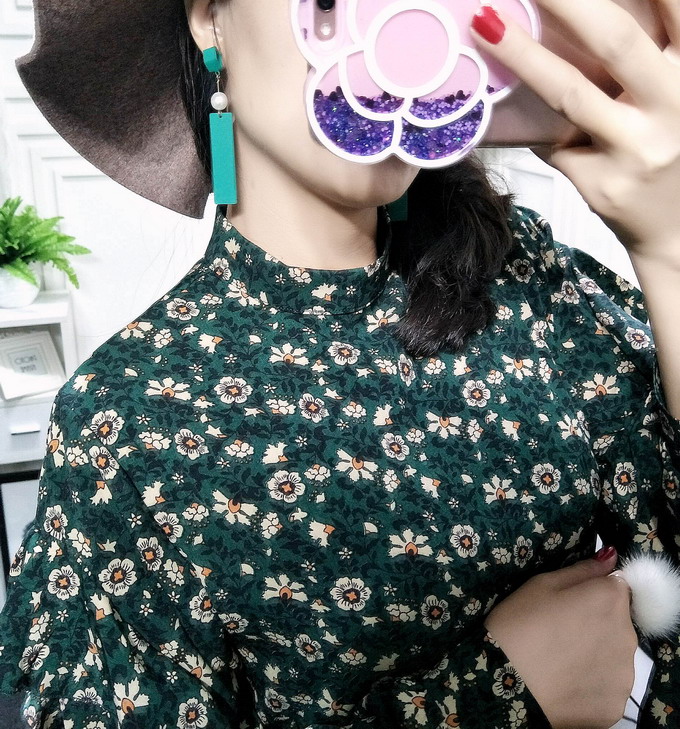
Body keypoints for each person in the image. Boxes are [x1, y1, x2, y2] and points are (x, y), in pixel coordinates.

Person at [0, 0, 678, 727]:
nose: (386, 33)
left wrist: (671, 251)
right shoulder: (125, 420)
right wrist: (492, 698)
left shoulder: (530, 279)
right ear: (209, 17)